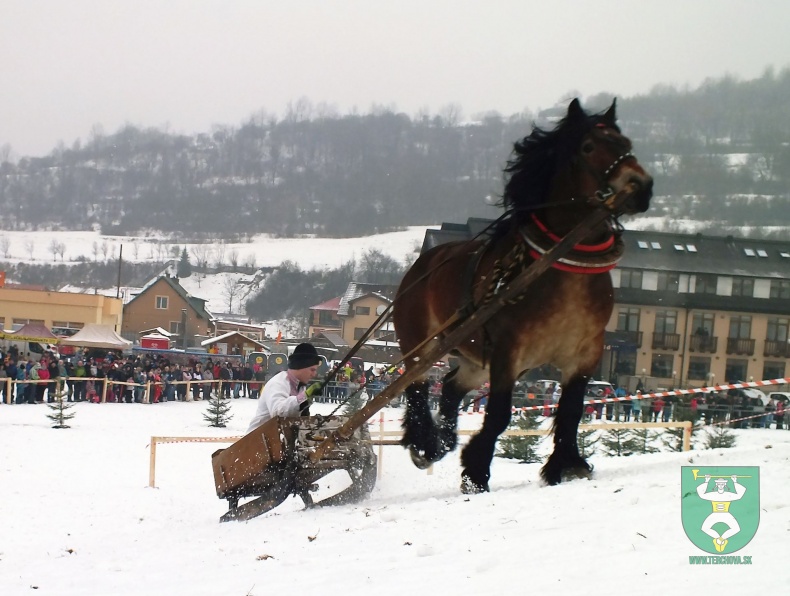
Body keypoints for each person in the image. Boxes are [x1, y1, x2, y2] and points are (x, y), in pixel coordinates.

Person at [247, 343, 321, 433]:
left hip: (276, 439)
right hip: (257, 440)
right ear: (301, 366)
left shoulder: (300, 386)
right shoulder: (278, 383)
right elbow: (278, 412)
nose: (314, 374)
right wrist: (303, 397)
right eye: (312, 370)